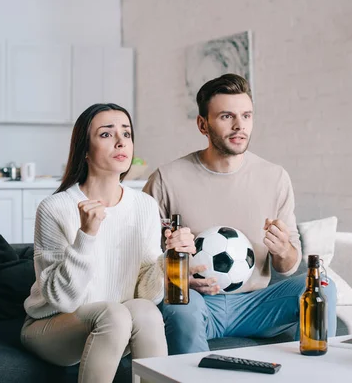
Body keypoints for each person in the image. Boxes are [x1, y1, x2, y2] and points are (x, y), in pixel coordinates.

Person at [143, 74, 338, 355]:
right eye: (226, 116)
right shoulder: (166, 179)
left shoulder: (275, 178)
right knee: (180, 302)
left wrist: (283, 249)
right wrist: (177, 276)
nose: (239, 125)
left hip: (257, 305)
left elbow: (288, 267)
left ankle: (313, 375)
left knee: (323, 286)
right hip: (197, 301)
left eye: (246, 116)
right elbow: (143, 259)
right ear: (202, 124)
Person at [21, 103, 195, 382]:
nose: (120, 141)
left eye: (126, 134)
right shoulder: (55, 208)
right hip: (53, 327)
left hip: (119, 325)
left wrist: (168, 260)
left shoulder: (145, 206)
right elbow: (62, 299)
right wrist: (86, 236)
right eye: (106, 134)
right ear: (85, 150)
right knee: (113, 315)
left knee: (146, 311)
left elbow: (146, 295)